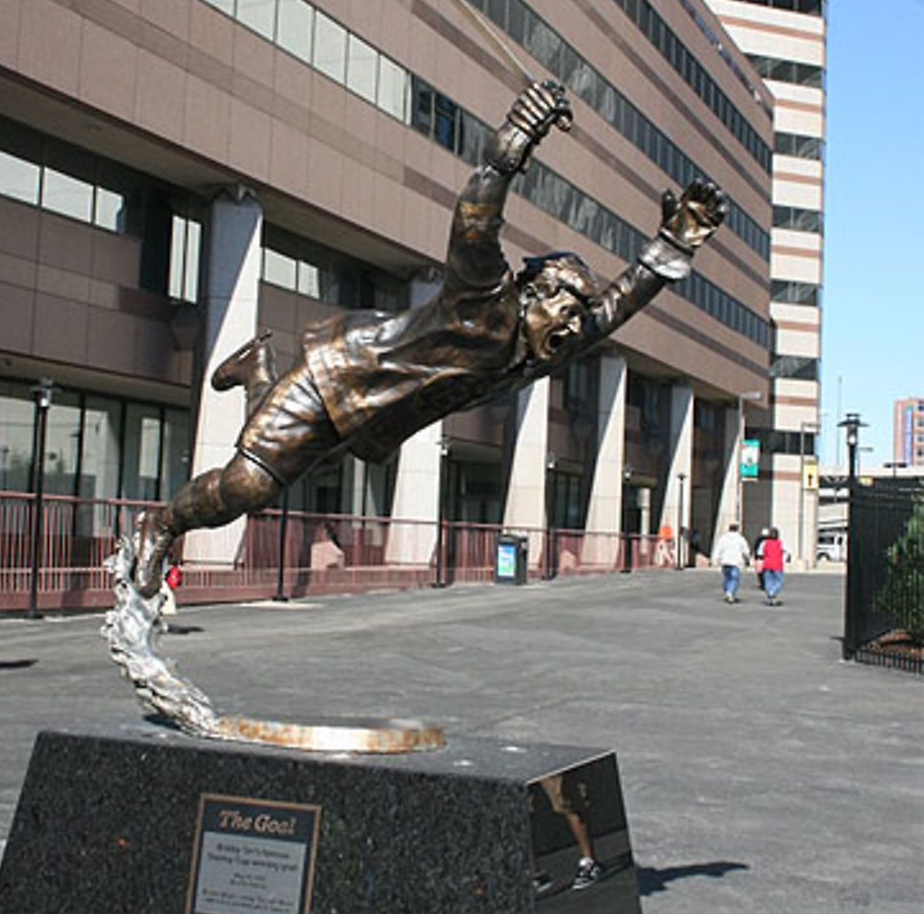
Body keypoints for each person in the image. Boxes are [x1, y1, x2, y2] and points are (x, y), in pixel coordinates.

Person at [133, 81, 726, 596]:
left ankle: (258, 367)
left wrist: (671, 248)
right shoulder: (484, 299)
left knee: (272, 468)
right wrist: (519, 136)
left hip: (364, 417)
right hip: (336, 375)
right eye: (567, 309)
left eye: (577, 316)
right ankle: (159, 528)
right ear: (534, 293)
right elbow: (476, 212)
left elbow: (616, 310)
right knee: (250, 483)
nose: (574, 325)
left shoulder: (543, 344)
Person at [711, 521, 751, 603]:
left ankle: (727, 590)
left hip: (725, 561)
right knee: (734, 578)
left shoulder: (723, 538)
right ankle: (730, 591)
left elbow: (718, 549)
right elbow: (746, 550)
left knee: (727, 577)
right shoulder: (740, 539)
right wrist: (748, 558)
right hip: (735, 561)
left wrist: (715, 559)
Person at [760, 527, 788, 606]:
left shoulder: (765, 543)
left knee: (768, 580)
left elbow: (760, 552)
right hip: (777, 564)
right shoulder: (781, 543)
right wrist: (784, 559)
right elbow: (787, 551)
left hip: (767, 563)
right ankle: (773, 592)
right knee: (778, 580)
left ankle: (770, 593)